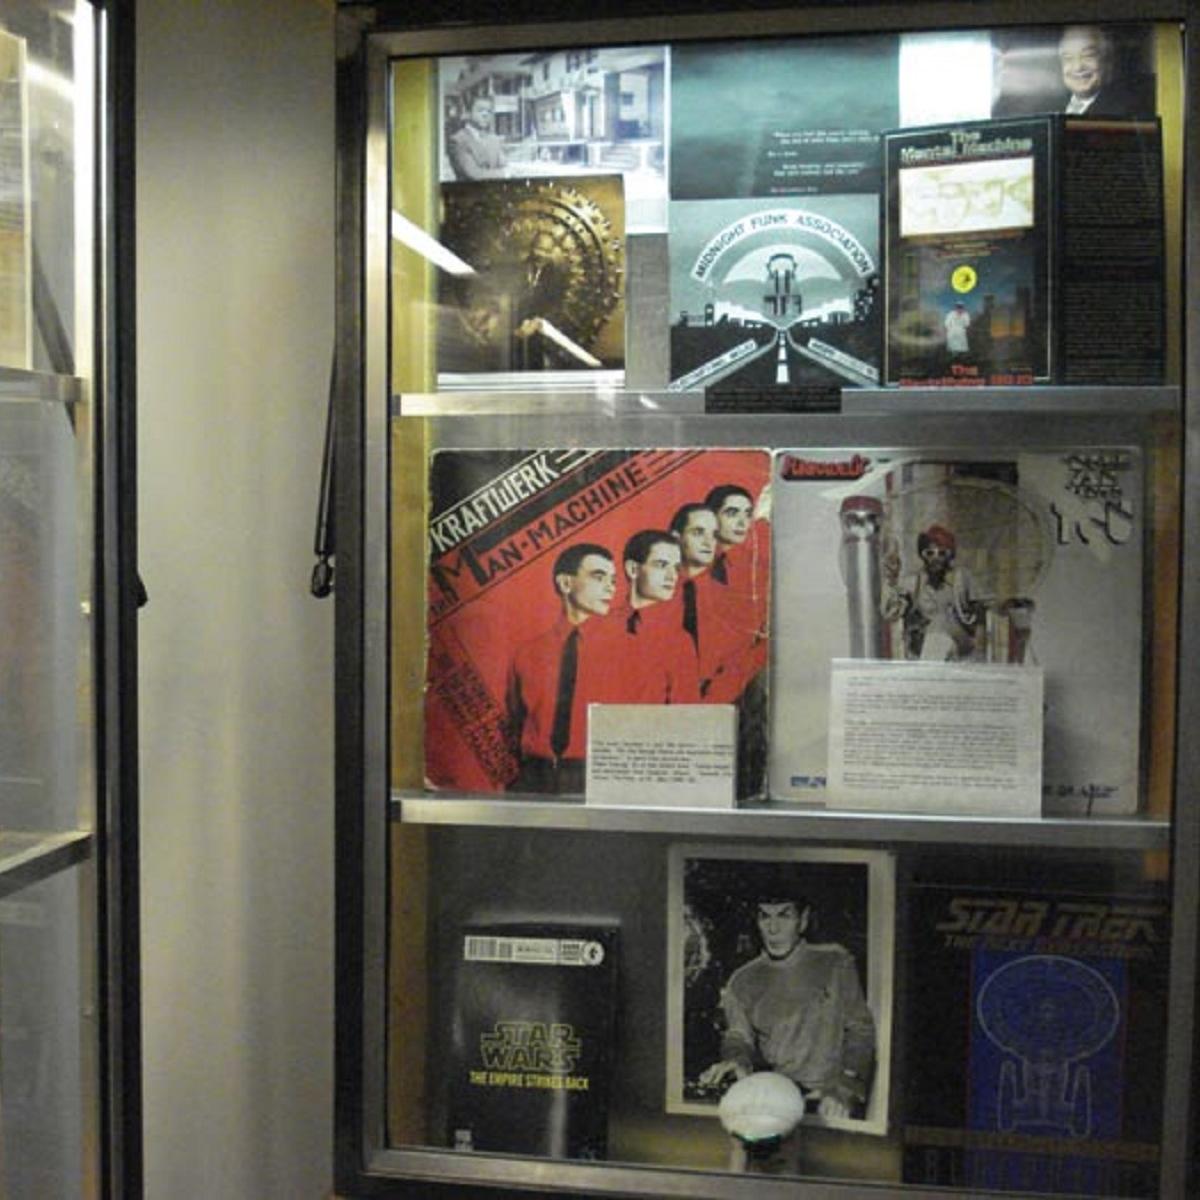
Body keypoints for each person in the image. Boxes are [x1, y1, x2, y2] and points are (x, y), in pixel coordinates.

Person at [698, 889, 876, 1120]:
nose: (773, 929)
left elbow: (860, 1029)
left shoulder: (835, 962)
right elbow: (739, 1036)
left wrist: (845, 1087)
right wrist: (735, 1059)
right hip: (779, 1101)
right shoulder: (742, 980)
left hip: (832, 1100)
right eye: (765, 917)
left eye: (784, 916)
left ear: (803, 920)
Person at [505, 543, 616, 793]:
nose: (611, 587)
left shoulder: (623, 653)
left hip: (595, 779)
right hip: (533, 778)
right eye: (599, 577)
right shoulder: (527, 653)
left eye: (613, 579)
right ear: (566, 584)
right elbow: (513, 722)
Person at [670, 501, 766, 704]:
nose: (708, 542)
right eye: (698, 532)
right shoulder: (652, 595)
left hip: (716, 708)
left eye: (713, 535)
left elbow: (741, 662)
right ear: (676, 539)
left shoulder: (735, 600)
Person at [595, 530, 701, 704]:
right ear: (633, 569)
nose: (672, 576)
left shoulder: (678, 641)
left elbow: (686, 717)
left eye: (676, 567)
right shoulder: (597, 629)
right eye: (661, 565)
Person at [881, 523, 984, 661]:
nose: (935, 558)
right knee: (935, 640)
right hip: (925, 652)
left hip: (961, 651)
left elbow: (981, 613)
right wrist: (892, 581)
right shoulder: (913, 583)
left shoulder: (962, 579)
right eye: (930, 553)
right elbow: (891, 613)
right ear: (922, 555)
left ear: (950, 555)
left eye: (942, 553)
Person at [1057, 25, 1153, 118]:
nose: (1078, 67)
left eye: (1088, 56)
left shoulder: (1127, 110)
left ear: (1107, 61)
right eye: (1068, 58)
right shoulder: (1052, 106)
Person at [447, 94, 508, 180]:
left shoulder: (494, 139)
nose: (485, 114)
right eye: (480, 110)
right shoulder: (458, 141)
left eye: (489, 111)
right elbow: (474, 174)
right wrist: (505, 173)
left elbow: (504, 165)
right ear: (468, 113)